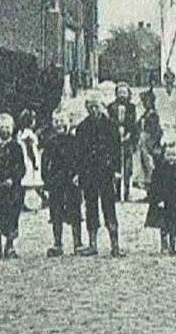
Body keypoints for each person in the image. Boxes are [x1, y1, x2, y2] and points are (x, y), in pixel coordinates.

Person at [74, 94, 123, 256]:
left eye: (96, 106)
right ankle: (92, 244)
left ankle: (115, 245)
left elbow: (117, 151)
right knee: (91, 207)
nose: (94, 110)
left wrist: (116, 170)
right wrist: (78, 173)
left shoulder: (111, 126)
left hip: (106, 173)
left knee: (109, 206)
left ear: (102, 107)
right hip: (89, 174)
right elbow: (78, 154)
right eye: (90, 107)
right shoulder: (82, 128)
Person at [40, 109, 84, 256]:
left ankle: (77, 243)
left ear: (68, 123)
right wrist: (46, 180)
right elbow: (45, 162)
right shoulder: (50, 142)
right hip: (56, 181)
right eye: (56, 122)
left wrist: (78, 175)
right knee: (56, 211)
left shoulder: (74, 140)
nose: (59, 124)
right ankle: (57, 243)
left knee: (75, 210)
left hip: (71, 180)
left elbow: (80, 160)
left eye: (62, 121)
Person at [0, 113, 27, 259]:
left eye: (8, 127)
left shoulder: (16, 148)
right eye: (2, 127)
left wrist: (13, 179)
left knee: (12, 216)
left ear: (13, 128)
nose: (5, 130)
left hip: (12, 190)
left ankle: (10, 245)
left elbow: (21, 168)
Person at [144, 142, 176, 255]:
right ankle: (164, 245)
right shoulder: (159, 170)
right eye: (168, 154)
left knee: (174, 225)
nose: (171, 157)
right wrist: (157, 200)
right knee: (163, 225)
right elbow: (154, 187)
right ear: (163, 155)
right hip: (163, 203)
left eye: (173, 154)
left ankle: (173, 246)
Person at [17, 108, 45, 211]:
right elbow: (30, 149)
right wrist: (34, 162)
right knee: (31, 176)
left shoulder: (21, 134)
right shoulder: (29, 135)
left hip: (25, 157)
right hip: (29, 159)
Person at [137, 90, 164, 190]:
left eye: (147, 102)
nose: (145, 104)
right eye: (144, 102)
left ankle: (153, 191)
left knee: (150, 166)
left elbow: (157, 131)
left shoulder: (153, 115)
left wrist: (151, 143)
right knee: (144, 166)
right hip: (143, 143)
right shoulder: (145, 114)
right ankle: (148, 190)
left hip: (150, 144)